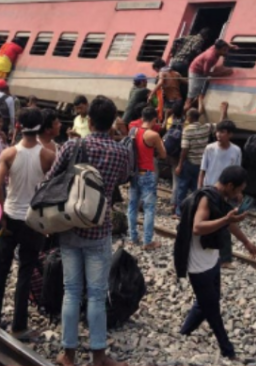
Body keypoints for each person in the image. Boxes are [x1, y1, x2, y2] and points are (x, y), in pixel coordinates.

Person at [47, 96, 129, 366]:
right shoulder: (121, 151)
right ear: (112, 122)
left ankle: (67, 354)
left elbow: (51, 179)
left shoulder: (73, 145)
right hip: (99, 227)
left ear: (89, 121)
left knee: (71, 290)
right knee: (96, 293)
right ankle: (98, 355)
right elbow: (122, 179)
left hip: (70, 225)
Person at [176, 165, 256, 361]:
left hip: (211, 260)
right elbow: (198, 227)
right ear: (230, 185)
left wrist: (246, 242)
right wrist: (225, 220)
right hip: (198, 264)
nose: (239, 194)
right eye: (238, 189)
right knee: (212, 309)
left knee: (207, 302)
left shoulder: (220, 197)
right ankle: (227, 349)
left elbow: (229, 222)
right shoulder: (206, 198)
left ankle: (183, 332)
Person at [0, 108, 54, 340]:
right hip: (32, 220)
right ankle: (19, 325)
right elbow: (51, 187)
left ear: (19, 125)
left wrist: (2, 215)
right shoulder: (47, 155)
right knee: (25, 271)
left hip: (10, 217)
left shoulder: (9, 153)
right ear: (40, 126)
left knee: (1, 270)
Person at [198, 119, 242, 268]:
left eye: (222, 132)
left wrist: (238, 191)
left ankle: (225, 258)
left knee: (224, 225)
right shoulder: (210, 148)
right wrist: (200, 189)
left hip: (227, 194)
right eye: (217, 131)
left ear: (230, 134)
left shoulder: (236, 151)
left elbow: (237, 172)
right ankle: (212, 254)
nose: (218, 134)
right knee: (209, 223)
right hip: (210, 191)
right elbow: (203, 170)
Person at [175, 102, 230, 219]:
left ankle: (180, 212)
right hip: (201, 164)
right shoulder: (205, 127)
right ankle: (195, 211)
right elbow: (220, 125)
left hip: (189, 163)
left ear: (188, 118)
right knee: (197, 189)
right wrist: (223, 112)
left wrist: (180, 165)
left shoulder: (187, 130)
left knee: (182, 188)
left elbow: (184, 150)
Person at [127, 107, 166, 250]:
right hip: (147, 173)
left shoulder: (133, 131)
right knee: (149, 208)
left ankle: (133, 238)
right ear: (155, 119)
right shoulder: (153, 135)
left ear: (142, 117)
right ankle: (147, 241)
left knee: (132, 206)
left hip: (133, 173)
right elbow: (163, 155)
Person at [186, 39, 234, 114]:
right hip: (196, 72)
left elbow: (220, 44)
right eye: (224, 50)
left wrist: (230, 46)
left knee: (198, 93)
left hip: (201, 71)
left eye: (226, 49)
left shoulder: (215, 47)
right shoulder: (210, 57)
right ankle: (182, 116)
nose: (226, 52)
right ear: (217, 49)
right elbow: (206, 73)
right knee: (191, 97)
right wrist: (222, 74)